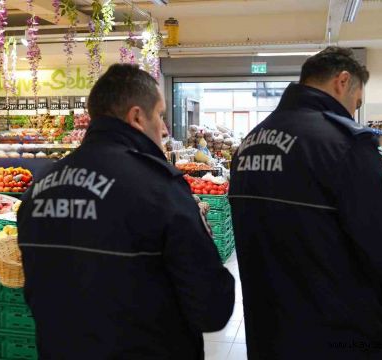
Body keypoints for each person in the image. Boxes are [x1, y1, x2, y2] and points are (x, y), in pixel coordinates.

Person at [17, 64, 235, 359]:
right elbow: (212, 309)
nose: (165, 128)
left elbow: (36, 291)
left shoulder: (41, 186)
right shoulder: (159, 188)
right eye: (160, 115)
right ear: (136, 117)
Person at [229, 46, 382, 359]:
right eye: (356, 102)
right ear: (343, 81)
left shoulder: (249, 144)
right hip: (339, 338)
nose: (353, 111)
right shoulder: (345, 145)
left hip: (269, 336)